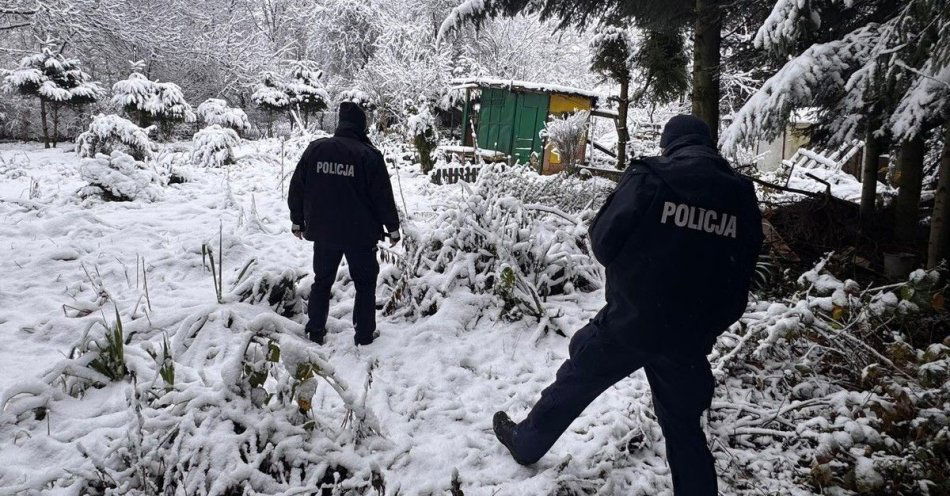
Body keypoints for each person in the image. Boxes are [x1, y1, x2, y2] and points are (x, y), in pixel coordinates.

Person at [492, 115, 763, 495]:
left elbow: (603, 242)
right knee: (685, 429)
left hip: (633, 319)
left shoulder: (651, 176)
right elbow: (745, 268)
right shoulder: (740, 195)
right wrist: (709, 320)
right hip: (689, 333)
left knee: (577, 380)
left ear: (668, 145)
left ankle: (526, 443)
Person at [288, 101, 400, 346]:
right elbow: (382, 195)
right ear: (361, 126)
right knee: (365, 284)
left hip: (324, 231)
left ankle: (315, 330)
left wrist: (297, 221)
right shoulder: (369, 155)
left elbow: (297, 187)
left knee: (322, 281)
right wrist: (392, 227)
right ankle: (364, 334)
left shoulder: (315, 150)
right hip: (361, 234)